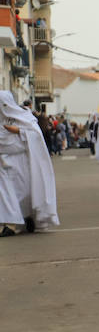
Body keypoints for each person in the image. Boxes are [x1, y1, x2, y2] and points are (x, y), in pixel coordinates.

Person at [0, 90, 59, 235]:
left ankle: (27, 218)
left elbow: (35, 134)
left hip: (21, 161)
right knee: (7, 194)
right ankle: (10, 224)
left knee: (23, 193)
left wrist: (19, 131)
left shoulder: (24, 116)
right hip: (4, 162)